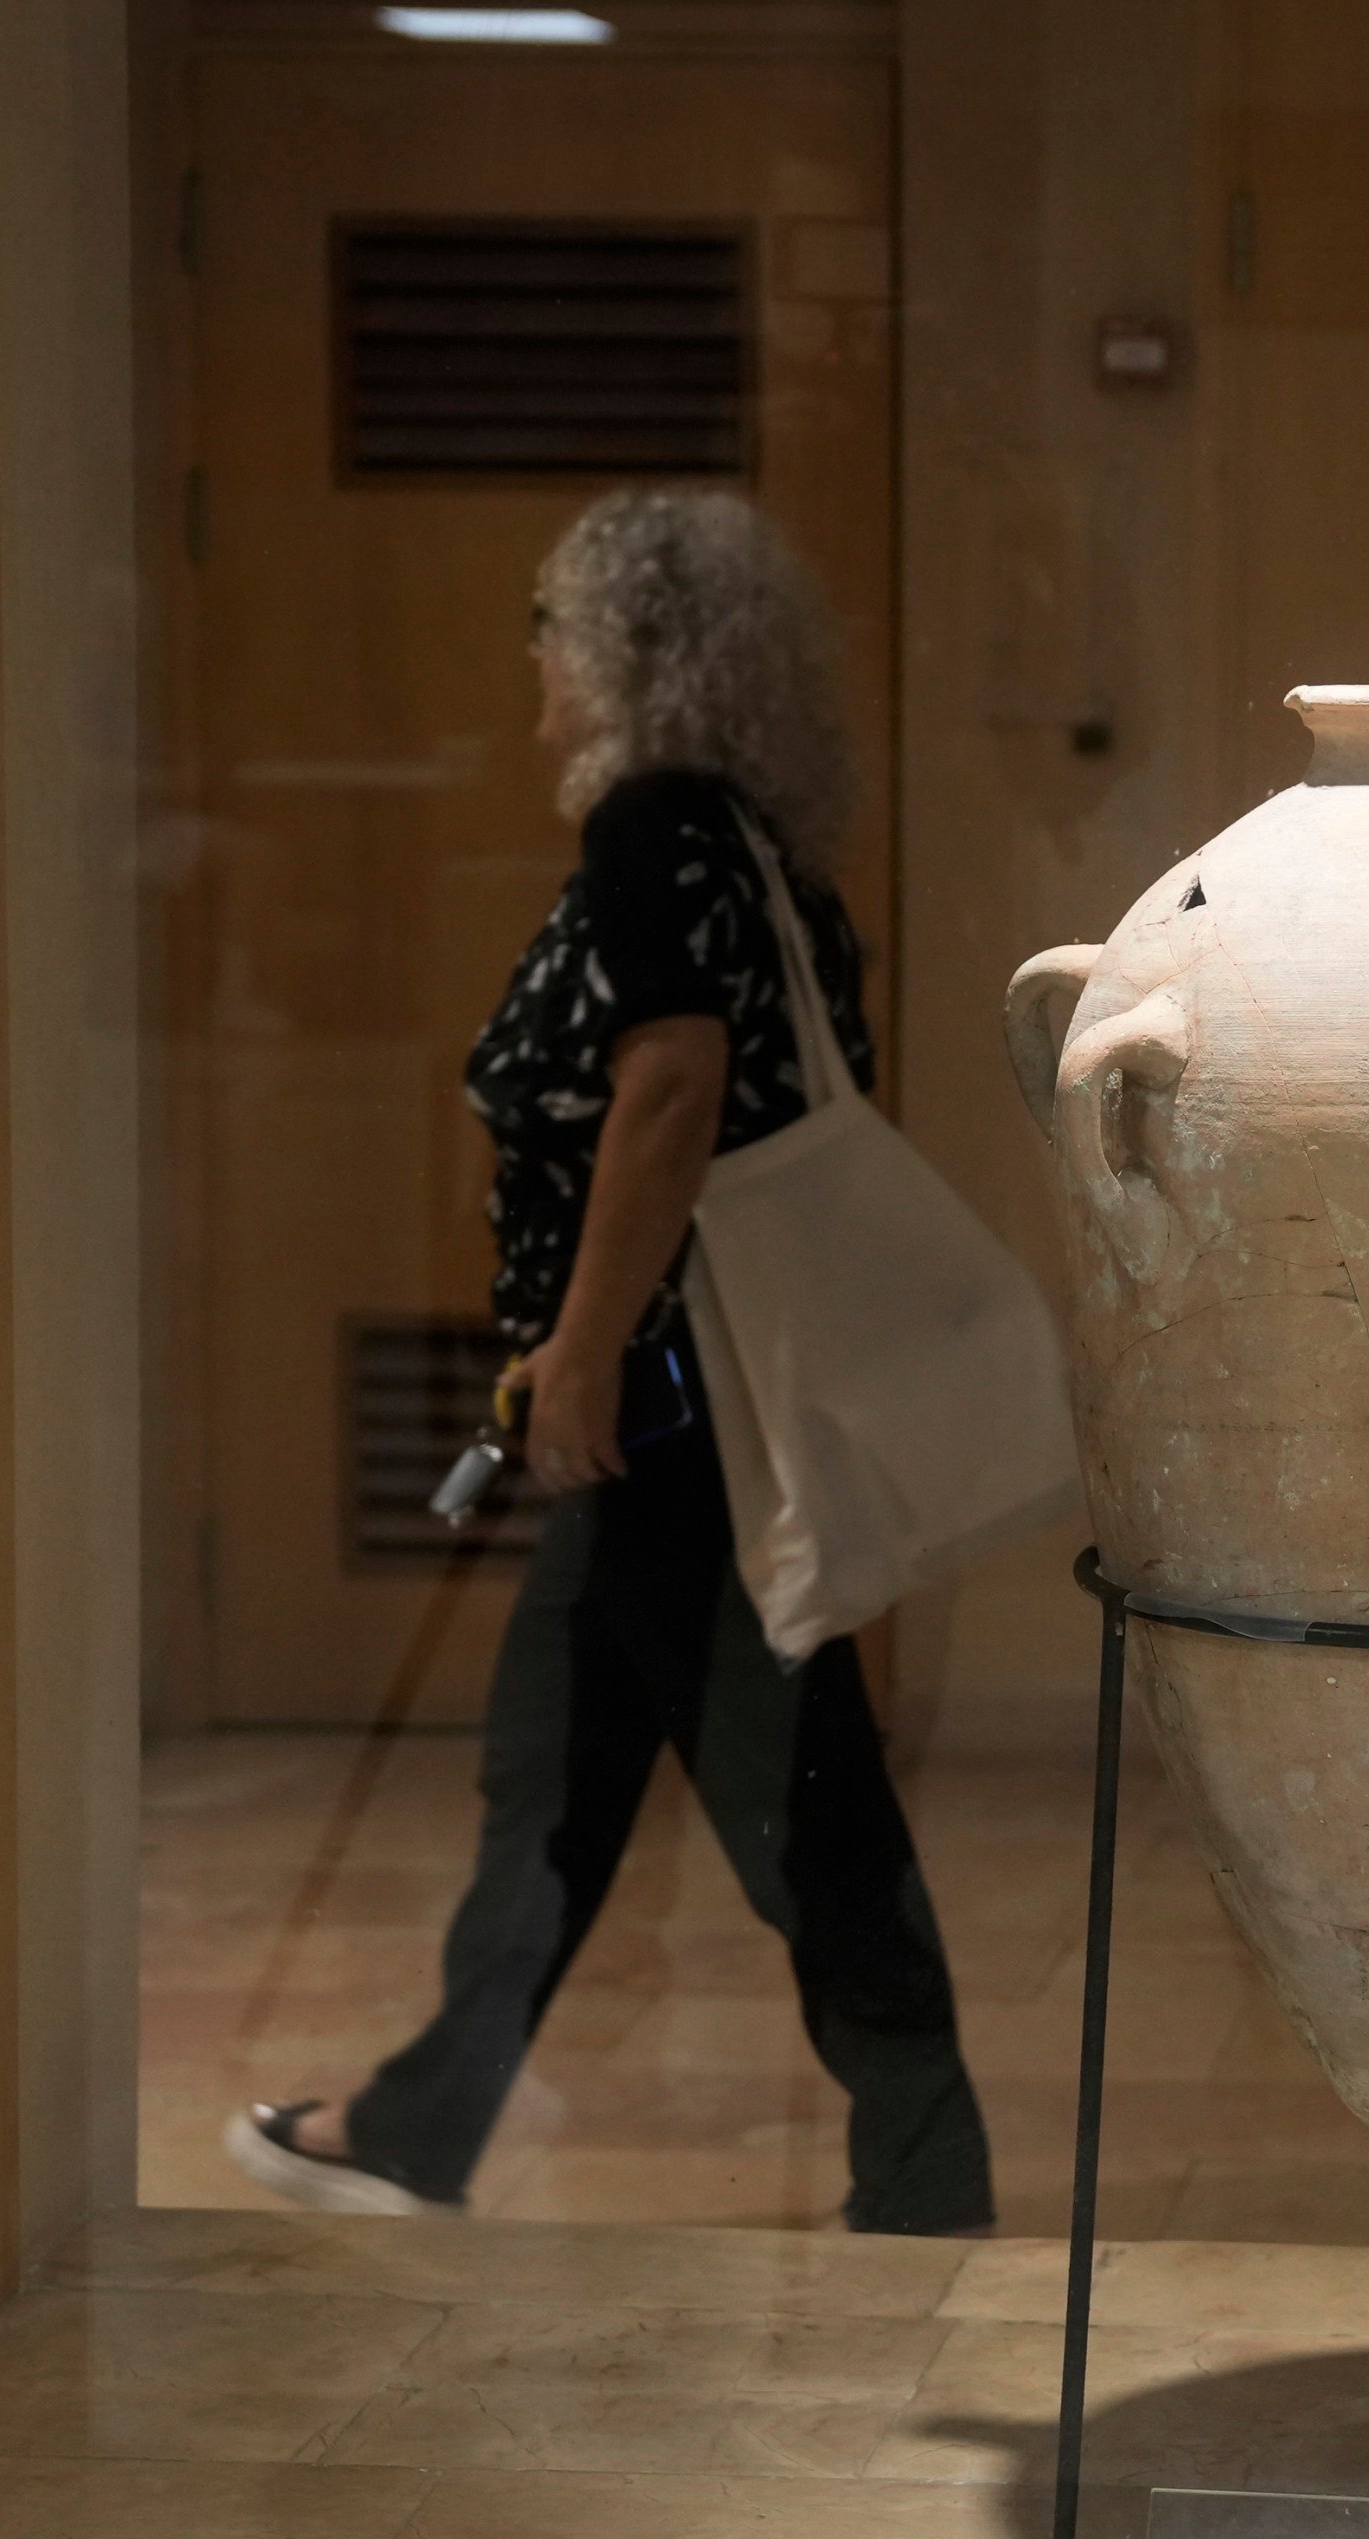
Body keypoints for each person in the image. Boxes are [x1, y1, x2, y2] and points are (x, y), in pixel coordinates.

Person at [226, 488, 995, 2236]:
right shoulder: (761, 857)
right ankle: (425, 2120)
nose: (536, 665)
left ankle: (929, 2174)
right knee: (548, 1776)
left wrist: (576, 1355)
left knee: (808, 1808)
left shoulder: (657, 829)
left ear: (630, 655)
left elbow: (673, 1089)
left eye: (555, 628)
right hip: (668, 1414)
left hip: (674, 1418)